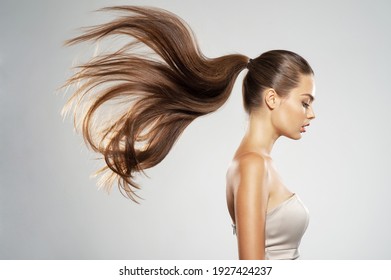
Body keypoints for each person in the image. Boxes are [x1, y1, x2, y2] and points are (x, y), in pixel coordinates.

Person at [62, 6, 316, 260]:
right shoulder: (252, 165)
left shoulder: (259, 163)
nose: (311, 113)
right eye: (305, 102)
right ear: (272, 98)